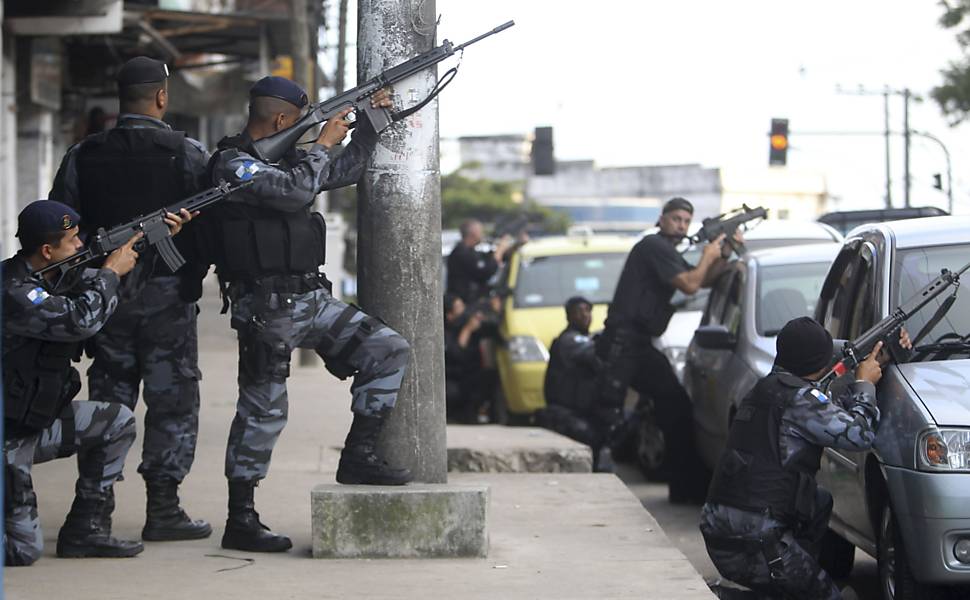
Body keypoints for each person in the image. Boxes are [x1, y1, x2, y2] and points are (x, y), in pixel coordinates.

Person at [197, 76, 412, 553]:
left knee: (388, 350)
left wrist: (370, 124)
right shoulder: (232, 163)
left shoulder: (295, 157)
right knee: (264, 411)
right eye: (298, 122)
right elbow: (294, 193)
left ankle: (358, 456)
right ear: (279, 121)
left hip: (311, 300)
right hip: (265, 308)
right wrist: (323, 143)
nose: (302, 131)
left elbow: (348, 169)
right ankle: (241, 518)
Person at [48, 56, 212, 542]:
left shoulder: (82, 154)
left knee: (109, 402)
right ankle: (164, 509)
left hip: (107, 298)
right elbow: (210, 229)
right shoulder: (187, 152)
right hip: (167, 302)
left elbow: (63, 227)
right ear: (162, 96)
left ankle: (93, 508)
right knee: (174, 402)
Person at [2, 200, 187, 564]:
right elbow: (81, 320)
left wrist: (144, 245)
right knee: (23, 551)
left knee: (115, 422)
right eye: (72, 240)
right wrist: (108, 273)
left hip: (32, 423)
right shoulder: (14, 292)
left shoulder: (54, 274)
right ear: (46, 249)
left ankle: (86, 530)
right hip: (8, 440)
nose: (79, 245)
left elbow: (111, 301)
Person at [700, 317, 911, 600]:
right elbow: (859, 435)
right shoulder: (800, 400)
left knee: (818, 500)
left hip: (723, 530)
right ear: (820, 363)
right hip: (754, 540)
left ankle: (788, 581)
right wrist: (865, 385)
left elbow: (827, 410)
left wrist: (877, 361)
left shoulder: (767, 388)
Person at [597, 196, 732, 502]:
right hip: (624, 344)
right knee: (608, 415)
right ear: (661, 219)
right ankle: (595, 480)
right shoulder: (654, 246)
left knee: (675, 405)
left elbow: (704, 279)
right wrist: (708, 255)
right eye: (676, 219)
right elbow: (689, 284)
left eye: (686, 221)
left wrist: (722, 253)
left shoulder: (666, 251)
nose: (681, 226)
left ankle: (684, 487)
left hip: (639, 344)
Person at [539, 296, 614, 471]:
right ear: (569, 317)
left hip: (584, 413)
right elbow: (592, 352)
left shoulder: (587, 338)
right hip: (569, 415)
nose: (585, 315)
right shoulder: (568, 341)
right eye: (579, 312)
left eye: (588, 311)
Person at [446, 219, 512, 304]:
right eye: (481, 232)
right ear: (473, 233)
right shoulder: (461, 253)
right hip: (466, 305)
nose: (483, 235)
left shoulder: (471, 251)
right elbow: (486, 271)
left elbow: (489, 258)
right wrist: (500, 250)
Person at [444, 293, 485, 423]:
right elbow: (456, 354)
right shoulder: (444, 332)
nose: (464, 311)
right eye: (458, 308)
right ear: (449, 315)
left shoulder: (465, 325)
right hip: (452, 380)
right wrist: (467, 330)